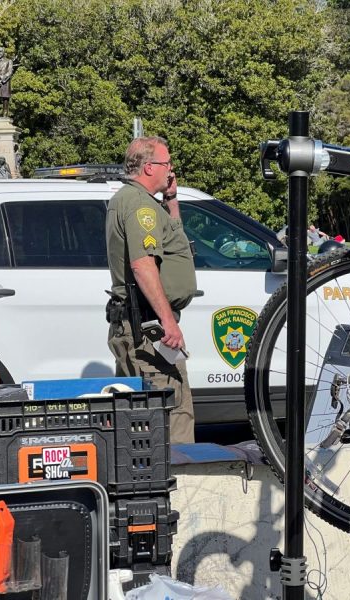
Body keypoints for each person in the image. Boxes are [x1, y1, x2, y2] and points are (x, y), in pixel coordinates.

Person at [105, 137, 197, 444]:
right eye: (166, 163)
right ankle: (176, 473)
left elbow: (171, 243)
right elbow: (143, 265)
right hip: (149, 329)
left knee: (138, 423)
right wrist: (168, 322)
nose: (171, 169)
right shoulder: (140, 206)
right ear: (148, 167)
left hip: (138, 324)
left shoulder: (136, 201)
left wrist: (172, 201)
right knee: (171, 420)